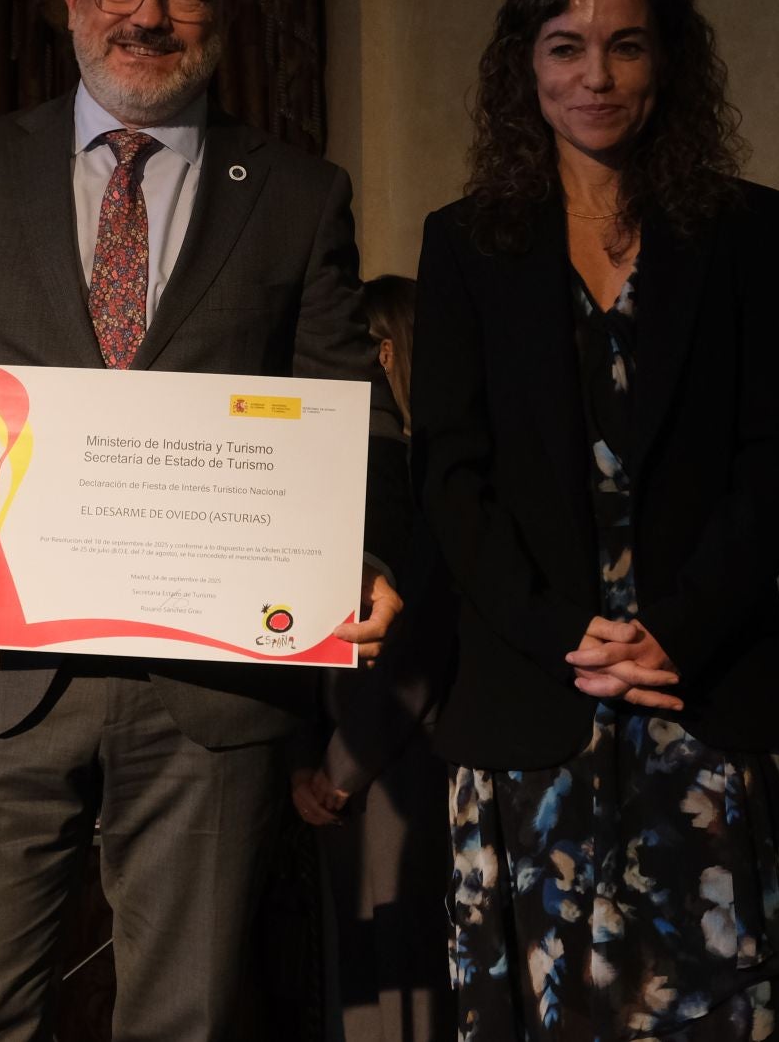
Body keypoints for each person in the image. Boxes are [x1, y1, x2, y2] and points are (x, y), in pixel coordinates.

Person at [0, 0, 402, 1040]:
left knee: (182, 1021)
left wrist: (363, 551)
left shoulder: (296, 195)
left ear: (223, 11)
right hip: (0, 677)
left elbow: (360, 414)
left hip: (213, 683)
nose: (147, 15)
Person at [412, 0, 779, 1039]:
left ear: (666, 63)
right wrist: (566, 636)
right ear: (524, 68)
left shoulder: (745, 230)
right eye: (565, 47)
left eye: (626, 48)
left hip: (701, 692)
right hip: (531, 694)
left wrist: (670, 628)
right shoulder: (465, 245)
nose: (595, 77)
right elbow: (449, 473)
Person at [290, 274, 454, 1042]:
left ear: (382, 354)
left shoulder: (428, 480)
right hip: (336, 768)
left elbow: (419, 644)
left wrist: (338, 767)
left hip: (397, 767)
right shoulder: (333, 481)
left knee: (401, 982)